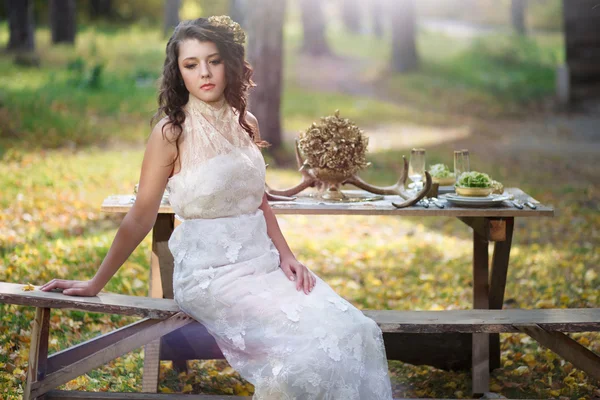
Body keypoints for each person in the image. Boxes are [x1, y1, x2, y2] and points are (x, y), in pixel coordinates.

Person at [41, 16, 393, 399]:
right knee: (312, 346)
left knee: (354, 329)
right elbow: (141, 215)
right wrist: (96, 283)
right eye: (191, 65)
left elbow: (257, 198)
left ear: (229, 63)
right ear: (179, 73)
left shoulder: (247, 123)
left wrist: (287, 255)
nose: (204, 73)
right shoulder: (170, 132)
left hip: (263, 264)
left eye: (213, 61)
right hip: (211, 276)